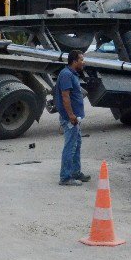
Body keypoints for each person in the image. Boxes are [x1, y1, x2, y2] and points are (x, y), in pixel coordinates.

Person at [55, 50, 90, 186]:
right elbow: (65, 97)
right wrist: (70, 115)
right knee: (70, 146)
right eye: (81, 59)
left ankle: (76, 172)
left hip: (75, 118)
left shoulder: (72, 74)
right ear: (74, 61)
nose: (83, 62)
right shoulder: (66, 75)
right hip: (70, 118)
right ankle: (65, 177)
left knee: (76, 144)